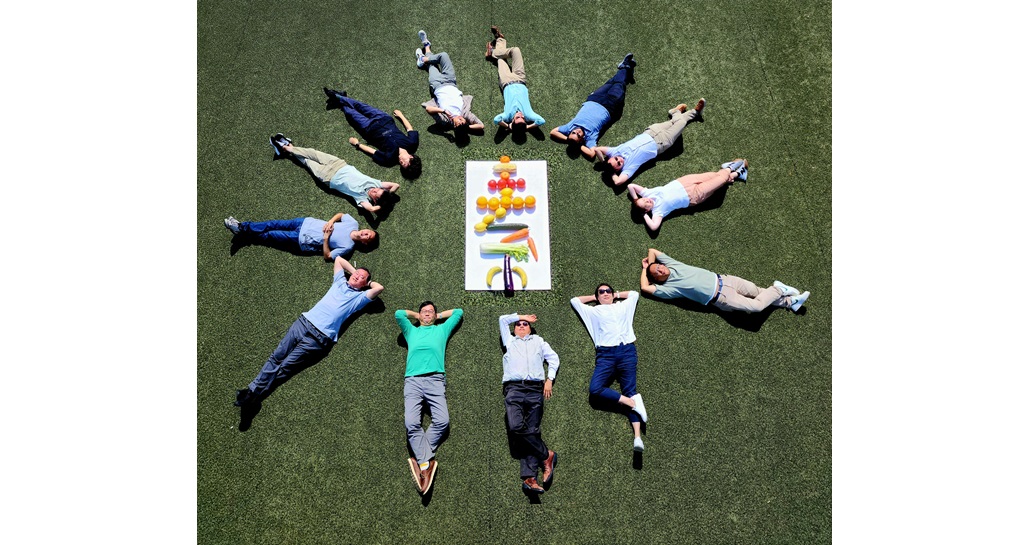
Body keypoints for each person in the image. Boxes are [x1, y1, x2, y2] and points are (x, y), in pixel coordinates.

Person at [233, 257, 384, 430]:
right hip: (303, 323)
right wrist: (354, 272)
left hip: (318, 338)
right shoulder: (339, 282)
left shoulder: (359, 298)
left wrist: (367, 282)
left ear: (364, 284)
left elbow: (379, 288)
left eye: (362, 277)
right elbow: (339, 260)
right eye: (357, 273)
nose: (357, 276)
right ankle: (251, 394)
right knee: (276, 357)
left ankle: (254, 396)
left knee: (285, 367)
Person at [395, 301, 464, 495]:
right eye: (424, 311)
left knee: (442, 421)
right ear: (419, 315)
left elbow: (458, 312)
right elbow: (399, 314)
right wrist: (416, 316)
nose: (427, 313)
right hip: (413, 381)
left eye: (430, 311)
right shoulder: (411, 331)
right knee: (411, 423)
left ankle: (422, 460)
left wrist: (438, 316)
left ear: (435, 315)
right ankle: (426, 464)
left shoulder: (442, 330)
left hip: (436, 380)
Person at [570, 285, 649, 453]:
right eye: (601, 292)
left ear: (613, 295)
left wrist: (616, 295)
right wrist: (594, 297)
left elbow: (634, 294)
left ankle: (637, 437)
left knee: (630, 390)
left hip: (627, 350)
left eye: (608, 291)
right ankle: (631, 402)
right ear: (597, 296)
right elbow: (575, 301)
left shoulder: (623, 306)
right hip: (605, 354)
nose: (605, 293)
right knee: (595, 389)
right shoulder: (593, 311)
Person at [498, 313, 560, 494]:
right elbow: (502, 320)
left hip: (535, 389)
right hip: (514, 388)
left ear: (531, 328)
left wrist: (550, 379)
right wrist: (523, 315)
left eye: (525, 324)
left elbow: (554, 358)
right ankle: (546, 455)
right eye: (518, 324)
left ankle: (530, 478)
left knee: (532, 431)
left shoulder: (539, 341)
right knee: (516, 427)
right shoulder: (510, 341)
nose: (522, 325)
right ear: (514, 329)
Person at [640, 248, 810, 313]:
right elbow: (645, 288)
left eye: (659, 266)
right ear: (657, 279)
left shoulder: (673, 264)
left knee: (760, 293)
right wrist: (645, 271)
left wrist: (650, 264)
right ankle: (779, 289)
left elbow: (652, 250)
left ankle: (790, 303)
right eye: (657, 272)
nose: (661, 269)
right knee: (757, 306)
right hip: (722, 298)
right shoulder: (670, 288)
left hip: (727, 279)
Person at [269, 133, 399, 215]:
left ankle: (285, 146)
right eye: (378, 190)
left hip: (328, 177)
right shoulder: (376, 184)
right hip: (338, 163)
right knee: (311, 152)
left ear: (374, 200)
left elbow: (371, 209)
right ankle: (287, 146)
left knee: (307, 161)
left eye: (375, 194)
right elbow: (395, 185)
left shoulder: (362, 199)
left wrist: (380, 206)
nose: (375, 190)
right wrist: (388, 196)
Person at [593, 99, 706, 185]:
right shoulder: (628, 168)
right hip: (662, 142)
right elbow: (618, 182)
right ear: (618, 169)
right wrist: (610, 172)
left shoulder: (614, 151)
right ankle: (683, 112)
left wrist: (604, 163)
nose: (619, 160)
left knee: (674, 123)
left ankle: (687, 112)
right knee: (681, 123)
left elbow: (597, 149)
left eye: (616, 159)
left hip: (652, 131)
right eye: (619, 164)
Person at [550, 54, 636, 160]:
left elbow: (553, 132)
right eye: (578, 135)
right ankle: (625, 65)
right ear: (581, 139)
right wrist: (579, 146)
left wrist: (568, 139)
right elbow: (591, 154)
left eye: (573, 133)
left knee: (611, 82)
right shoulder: (590, 138)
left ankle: (627, 70)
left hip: (594, 99)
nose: (577, 131)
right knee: (619, 84)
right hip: (610, 105)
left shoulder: (569, 127)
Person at [322, 89, 422, 179]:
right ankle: (337, 96)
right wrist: (401, 116)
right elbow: (409, 129)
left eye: (402, 165)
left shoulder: (389, 159)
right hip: (383, 118)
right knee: (359, 105)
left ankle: (339, 97)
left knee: (350, 113)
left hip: (369, 128)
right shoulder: (412, 143)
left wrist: (357, 144)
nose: (401, 162)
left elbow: (373, 152)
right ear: (411, 157)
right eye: (404, 163)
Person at [626, 159, 749, 231]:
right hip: (694, 196)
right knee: (720, 179)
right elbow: (654, 227)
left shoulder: (648, 193)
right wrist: (644, 215)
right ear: (647, 210)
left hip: (685, 181)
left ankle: (736, 174)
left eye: (644, 200)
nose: (647, 201)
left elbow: (630, 186)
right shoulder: (658, 211)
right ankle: (730, 168)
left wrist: (636, 199)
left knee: (715, 176)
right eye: (646, 205)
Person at [223, 213, 377, 260]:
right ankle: (242, 228)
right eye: (368, 232)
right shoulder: (353, 223)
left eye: (367, 237)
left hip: (301, 239)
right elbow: (341, 215)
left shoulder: (348, 247)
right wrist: (331, 221)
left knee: (270, 235)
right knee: (272, 223)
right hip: (305, 222)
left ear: (364, 243)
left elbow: (328, 256)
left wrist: (326, 239)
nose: (365, 233)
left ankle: (242, 232)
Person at [414, 30, 486, 132]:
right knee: (443, 55)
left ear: (455, 126)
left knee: (432, 65)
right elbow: (481, 125)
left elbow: (428, 109)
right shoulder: (465, 114)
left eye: (459, 121)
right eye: (463, 121)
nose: (461, 119)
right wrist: (467, 127)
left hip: (437, 84)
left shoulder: (445, 120)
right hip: (450, 81)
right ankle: (423, 59)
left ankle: (426, 46)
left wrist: (443, 111)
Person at [485, 26, 545, 132]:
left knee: (501, 60)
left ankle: (499, 40)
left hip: (506, 81)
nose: (521, 115)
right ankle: (493, 52)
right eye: (523, 118)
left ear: (512, 121)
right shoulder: (529, 114)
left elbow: (496, 119)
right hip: (520, 78)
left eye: (518, 118)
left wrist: (508, 126)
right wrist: (527, 127)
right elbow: (541, 121)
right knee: (515, 50)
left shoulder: (507, 115)